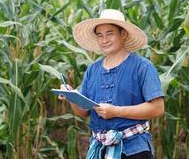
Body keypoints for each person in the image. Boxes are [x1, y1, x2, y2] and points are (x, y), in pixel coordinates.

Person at [59, 9, 164, 159]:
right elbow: (84, 112)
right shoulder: (92, 70)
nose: (104, 40)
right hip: (100, 149)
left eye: (110, 33)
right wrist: (72, 97)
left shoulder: (142, 67)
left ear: (123, 34)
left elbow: (158, 108)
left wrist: (117, 111)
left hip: (135, 150)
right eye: (100, 35)